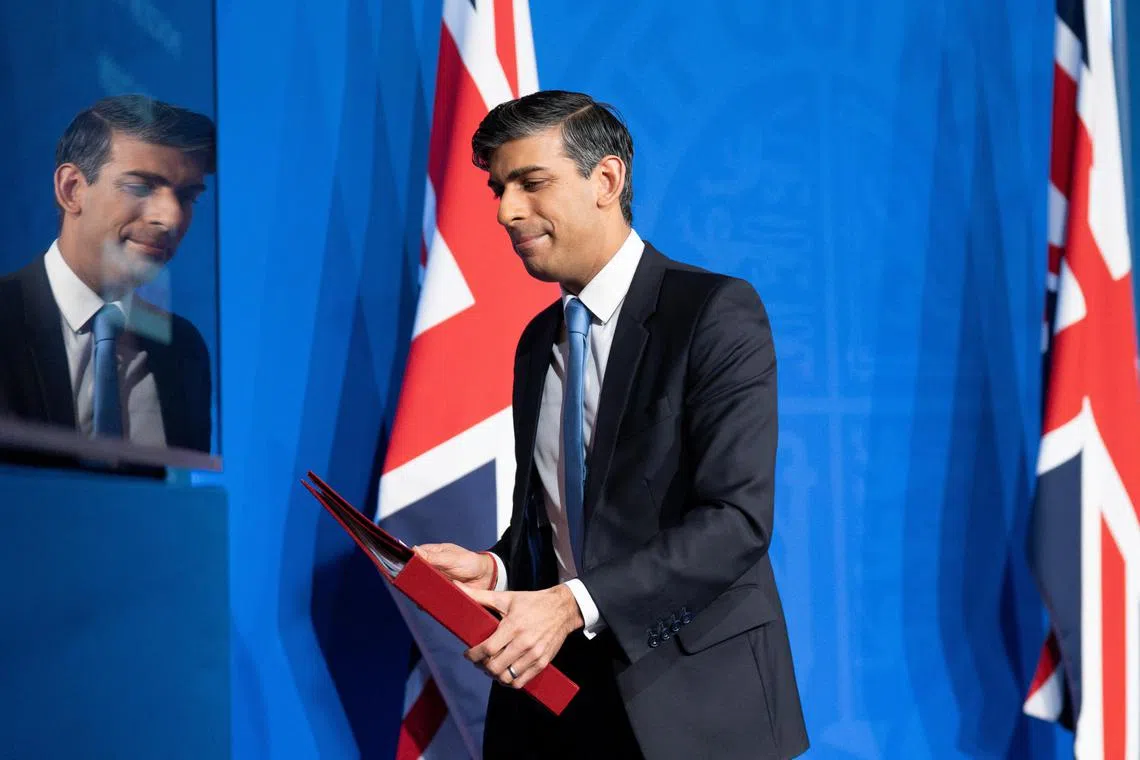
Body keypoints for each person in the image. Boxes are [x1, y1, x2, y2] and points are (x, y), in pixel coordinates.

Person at [416, 90, 808, 759]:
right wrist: (497, 569)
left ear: (607, 180)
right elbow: (561, 527)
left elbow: (736, 520)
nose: (508, 211)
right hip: (554, 703)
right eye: (498, 189)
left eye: (531, 183)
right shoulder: (539, 340)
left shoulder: (713, 313)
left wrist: (571, 604)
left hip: (692, 706)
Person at [0, 94, 214, 453]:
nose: (172, 218)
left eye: (188, 197)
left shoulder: (184, 350)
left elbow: (180, 506)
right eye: (141, 187)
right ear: (72, 190)